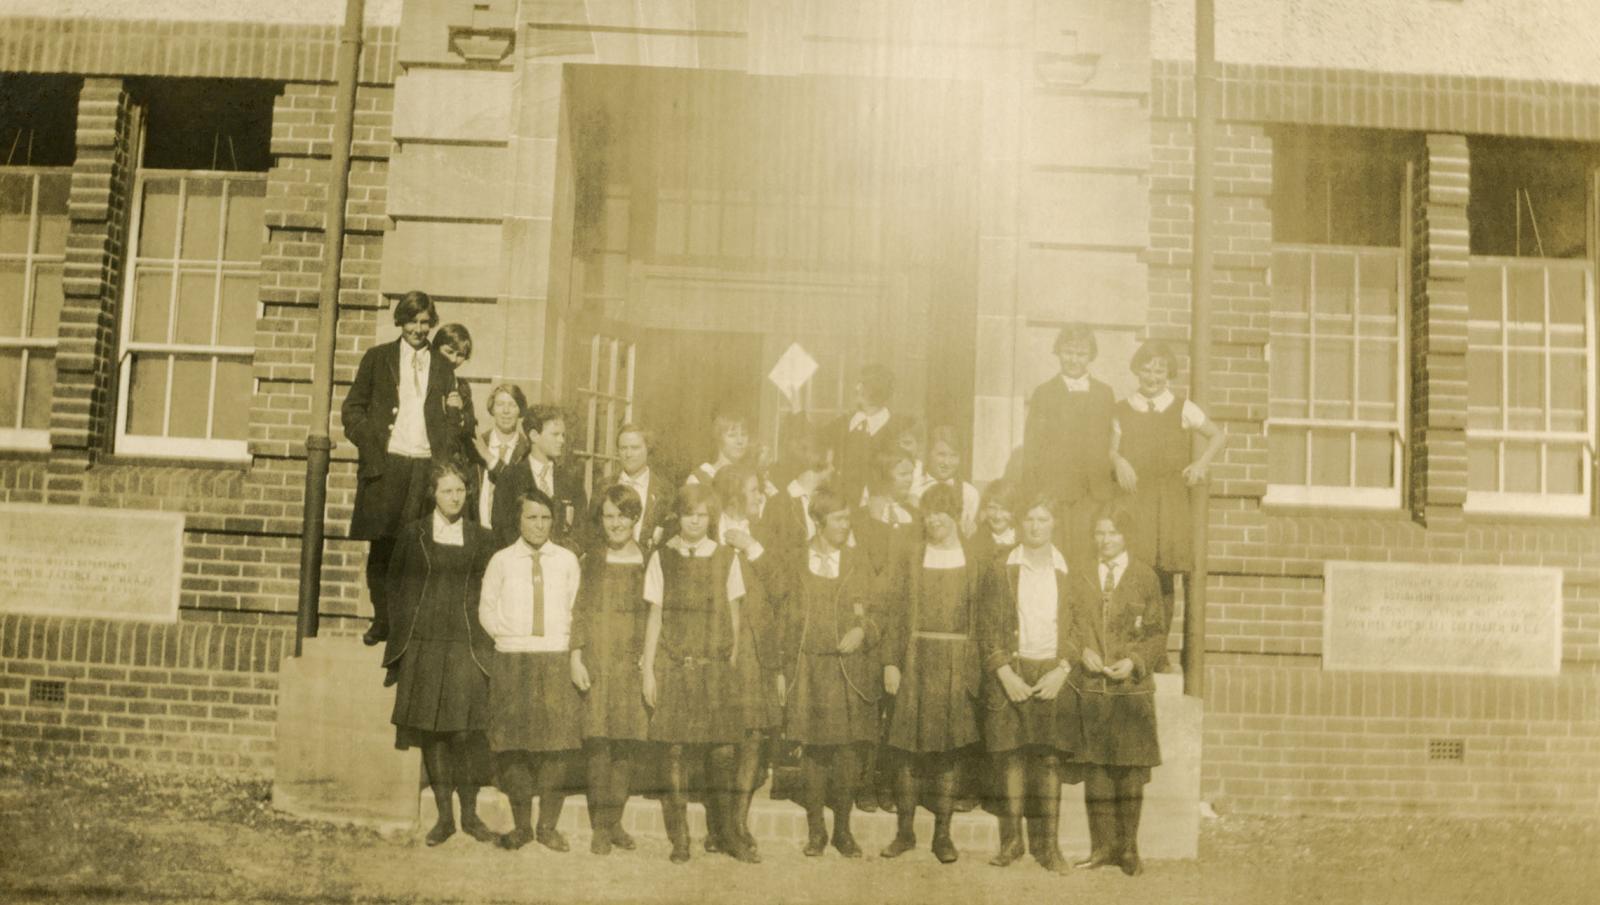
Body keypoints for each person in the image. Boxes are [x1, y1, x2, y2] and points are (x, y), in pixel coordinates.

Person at [381, 462, 498, 846]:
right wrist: (404, 637)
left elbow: (491, 591)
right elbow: (394, 586)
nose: (454, 498)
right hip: (426, 644)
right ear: (433, 493)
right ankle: (445, 817)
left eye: (460, 491)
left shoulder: (481, 538)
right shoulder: (412, 535)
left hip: (466, 642)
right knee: (433, 732)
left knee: (464, 732)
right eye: (447, 491)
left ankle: (470, 815)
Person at [641, 484, 753, 864]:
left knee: (722, 752)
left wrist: (731, 665)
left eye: (702, 515)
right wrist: (649, 671)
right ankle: (681, 840)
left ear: (711, 519)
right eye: (689, 513)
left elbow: (735, 618)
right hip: (675, 667)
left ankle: (725, 834)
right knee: (674, 752)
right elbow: (654, 616)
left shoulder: (726, 558)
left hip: (715, 669)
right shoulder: (662, 557)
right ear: (679, 516)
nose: (694, 520)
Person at [342, 290, 457, 646]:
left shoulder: (443, 367)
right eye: (412, 321)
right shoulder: (378, 359)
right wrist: (373, 443)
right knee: (383, 547)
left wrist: (451, 420)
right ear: (400, 321)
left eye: (425, 322)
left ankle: (409, 624)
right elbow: (352, 410)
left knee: (417, 547)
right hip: (388, 465)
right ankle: (383, 619)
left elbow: (452, 421)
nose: (419, 329)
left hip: (424, 467)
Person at [877, 483, 983, 863]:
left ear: (956, 514)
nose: (935, 519)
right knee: (906, 748)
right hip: (916, 657)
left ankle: (943, 836)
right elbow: (893, 610)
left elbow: (985, 618)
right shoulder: (911, 555)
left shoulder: (975, 558)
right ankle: (904, 833)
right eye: (930, 513)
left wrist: (976, 669)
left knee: (949, 752)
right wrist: (892, 661)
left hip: (957, 661)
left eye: (943, 511)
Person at [477, 488, 584, 851]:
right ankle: (522, 825)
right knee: (514, 746)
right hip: (514, 659)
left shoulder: (567, 560)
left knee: (556, 746)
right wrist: (509, 637)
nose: (539, 525)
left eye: (545, 518)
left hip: (554, 657)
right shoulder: (502, 561)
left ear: (553, 521)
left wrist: (565, 646)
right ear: (519, 520)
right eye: (531, 517)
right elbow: (486, 609)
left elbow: (575, 608)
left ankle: (547, 827)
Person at [978, 493, 1079, 872]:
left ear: (1054, 524)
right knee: (1012, 758)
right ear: (1021, 524)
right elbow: (986, 626)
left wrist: (1062, 669)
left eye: (1043, 519)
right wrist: (1003, 672)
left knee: (1050, 758)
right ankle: (1012, 842)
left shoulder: (1067, 568)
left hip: (1052, 672)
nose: (1036, 526)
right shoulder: (1002, 566)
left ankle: (1049, 847)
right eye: (1030, 520)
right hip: (1013, 672)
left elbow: (1079, 624)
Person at [778, 490, 879, 858]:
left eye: (847, 518)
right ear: (819, 523)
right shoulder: (795, 560)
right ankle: (816, 831)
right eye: (838, 519)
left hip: (847, 670)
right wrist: (782, 668)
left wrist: (862, 630)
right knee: (815, 752)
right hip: (808, 667)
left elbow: (879, 610)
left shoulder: (857, 560)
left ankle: (843, 831)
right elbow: (782, 615)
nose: (845, 525)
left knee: (846, 753)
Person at [1068, 503, 1168, 876]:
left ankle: (1128, 848)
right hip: (1093, 688)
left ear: (1125, 536)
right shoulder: (1081, 575)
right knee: (1096, 770)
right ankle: (1102, 847)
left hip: (1131, 689)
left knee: (1128, 770)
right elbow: (1071, 625)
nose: (1105, 540)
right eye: (1099, 532)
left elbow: (1158, 633)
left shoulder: (1144, 577)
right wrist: (1083, 651)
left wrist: (1136, 661)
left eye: (1112, 532)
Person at [1109, 340, 1225, 652]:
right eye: (1146, 369)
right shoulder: (1122, 408)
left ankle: (1156, 650)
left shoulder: (1182, 407)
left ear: (1168, 373)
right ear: (1137, 371)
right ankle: (1127, 646)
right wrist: (1118, 460)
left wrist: (1201, 464)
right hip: (1135, 500)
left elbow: (1217, 435)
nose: (1152, 376)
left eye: (1159, 370)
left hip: (1170, 502)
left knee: (1163, 576)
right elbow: (1110, 447)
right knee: (1133, 568)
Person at [569, 485, 651, 855]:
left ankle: (615, 820)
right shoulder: (592, 559)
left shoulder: (650, 560)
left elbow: (656, 615)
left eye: (623, 515)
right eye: (608, 516)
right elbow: (580, 610)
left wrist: (648, 662)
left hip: (632, 662)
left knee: (626, 744)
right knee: (599, 743)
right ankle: (599, 827)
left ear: (636, 518)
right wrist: (575, 655)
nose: (615, 523)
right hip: (599, 661)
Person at [1022, 323, 1118, 561]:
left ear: (1090, 356)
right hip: (1056, 494)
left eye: (1081, 354)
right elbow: (1032, 449)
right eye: (1068, 352)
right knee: (1058, 557)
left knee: (1090, 557)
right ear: (1059, 352)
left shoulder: (1104, 394)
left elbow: (1112, 442)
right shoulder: (1044, 394)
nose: (1074, 360)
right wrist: (1035, 497)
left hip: (1094, 495)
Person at [491, 404, 588, 548]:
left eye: (563, 435)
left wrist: (562, 556)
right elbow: (502, 528)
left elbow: (581, 527)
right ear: (534, 435)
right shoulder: (509, 478)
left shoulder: (571, 479)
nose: (561, 440)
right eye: (555, 434)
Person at [585, 422, 673, 556]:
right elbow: (591, 531)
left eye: (635, 448)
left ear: (647, 448)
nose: (628, 454)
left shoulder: (665, 491)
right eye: (623, 448)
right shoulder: (603, 487)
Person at [830, 364, 911, 507]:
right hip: (841, 510)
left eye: (862, 384)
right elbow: (811, 443)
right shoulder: (843, 424)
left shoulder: (898, 430)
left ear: (877, 389)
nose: (856, 388)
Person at [468, 383, 529, 529]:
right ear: (492, 409)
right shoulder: (476, 445)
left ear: (520, 410)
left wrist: (489, 457)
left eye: (512, 405)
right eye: (500, 404)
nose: (505, 411)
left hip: (511, 538)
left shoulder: (528, 451)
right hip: (477, 534)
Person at [912, 426, 980, 539]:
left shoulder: (969, 493)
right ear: (929, 454)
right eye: (941, 455)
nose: (947, 463)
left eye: (954, 456)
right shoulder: (914, 485)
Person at [432, 323, 478, 484]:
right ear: (436, 348)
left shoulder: (462, 387)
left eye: (460, 355)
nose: (453, 359)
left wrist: (460, 414)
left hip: (452, 465)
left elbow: (471, 427)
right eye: (448, 351)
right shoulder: (424, 380)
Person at [968, 477, 1019, 569]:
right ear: (985, 509)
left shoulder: (1023, 540)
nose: (997, 516)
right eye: (992, 508)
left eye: (1004, 509)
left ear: (1013, 511)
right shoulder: (975, 542)